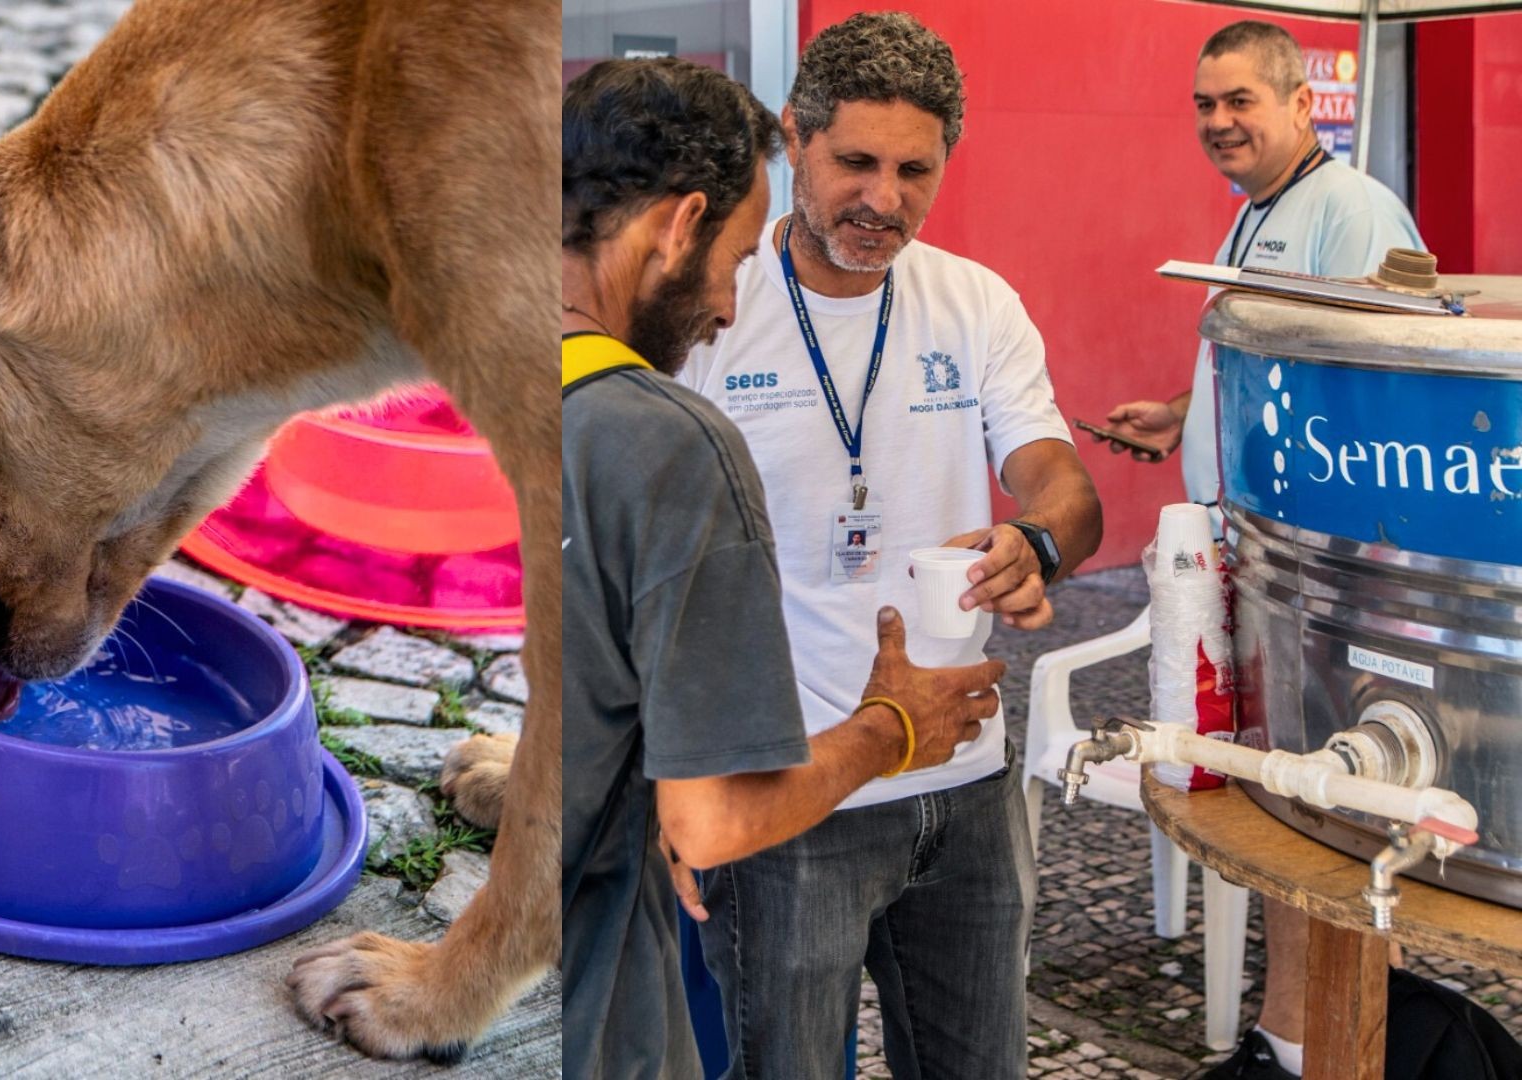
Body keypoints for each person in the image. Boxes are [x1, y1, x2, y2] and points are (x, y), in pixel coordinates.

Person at [561, 57, 1008, 1080]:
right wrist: (894, 727)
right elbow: (713, 820)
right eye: (728, 260)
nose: (727, 303)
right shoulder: (669, 437)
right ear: (678, 229)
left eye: (914, 168)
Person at [677, 13, 1103, 1079]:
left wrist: (1037, 544)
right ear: (794, 141)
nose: (884, 200)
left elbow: (1064, 484)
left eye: (916, 170)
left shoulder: (975, 303)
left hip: (965, 782)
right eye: (855, 163)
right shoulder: (713, 311)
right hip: (789, 788)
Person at [1096, 22, 1423, 1080]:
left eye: (1240, 100)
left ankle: (1337, 1044)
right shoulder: (1256, 216)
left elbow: (1378, 381)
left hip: (1324, 585)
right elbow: (1274, 362)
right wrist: (1186, 413)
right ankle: (1292, 1042)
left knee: (1323, 823)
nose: (1219, 122)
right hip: (1257, 572)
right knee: (1283, 814)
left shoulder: (1353, 211)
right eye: (1204, 105)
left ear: (1300, 103)